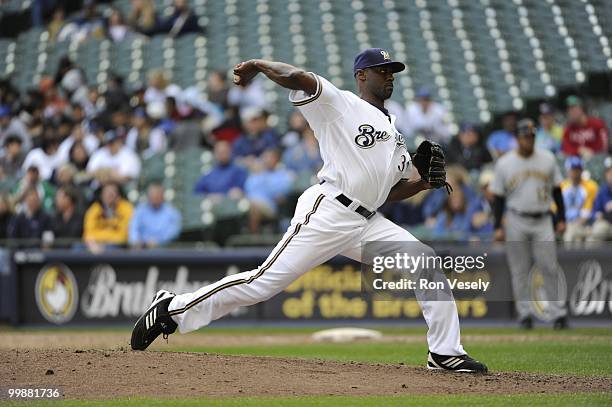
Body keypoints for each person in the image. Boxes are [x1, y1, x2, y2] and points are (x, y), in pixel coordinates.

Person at [130, 49, 488, 373]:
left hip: (367, 221)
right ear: (362, 75)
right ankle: (173, 309)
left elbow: (386, 193)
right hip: (328, 210)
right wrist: (258, 66)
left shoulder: (395, 133)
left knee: (424, 262)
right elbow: (299, 76)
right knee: (263, 283)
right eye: (382, 70)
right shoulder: (341, 105)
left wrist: (422, 184)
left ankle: (444, 351)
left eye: (392, 71)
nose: (389, 75)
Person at [490, 119, 568, 330]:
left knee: (549, 266)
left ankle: (558, 314)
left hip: (543, 218)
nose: (529, 140)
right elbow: (498, 198)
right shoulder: (505, 162)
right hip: (516, 218)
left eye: (532, 136)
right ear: (517, 138)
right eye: (525, 136)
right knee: (519, 270)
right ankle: (524, 314)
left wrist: (561, 218)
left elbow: (557, 191)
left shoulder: (547, 159)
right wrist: (497, 225)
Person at [244, 148, 293, 233]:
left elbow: (281, 193)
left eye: (270, 157)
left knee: (253, 205)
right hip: (251, 203)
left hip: (271, 207)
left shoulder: (283, 175)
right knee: (251, 205)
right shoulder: (257, 173)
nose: (267, 160)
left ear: (276, 160)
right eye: (265, 157)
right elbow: (248, 188)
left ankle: (254, 238)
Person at [83, 182, 133, 254]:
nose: (109, 196)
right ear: (101, 196)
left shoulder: (126, 208)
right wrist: (94, 244)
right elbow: (88, 232)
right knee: (77, 248)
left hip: (116, 245)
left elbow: (124, 235)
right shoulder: (95, 208)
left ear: (118, 196)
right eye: (106, 194)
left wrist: (103, 243)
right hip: (94, 244)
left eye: (112, 194)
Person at [129, 183, 181, 248]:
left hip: (164, 249)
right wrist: (135, 241)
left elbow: (173, 232)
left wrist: (158, 241)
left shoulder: (172, 212)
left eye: (157, 195)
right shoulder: (140, 210)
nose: (155, 197)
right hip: (142, 249)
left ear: (162, 196)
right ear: (148, 196)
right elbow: (133, 228)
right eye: (152, 195)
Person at [560, 156, 598, 243]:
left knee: (574, 235)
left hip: (585, 223)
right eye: (573, 169)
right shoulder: (561, 187)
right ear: (567, 170)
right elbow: (556, 209)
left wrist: (575, 224)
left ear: (582, 170)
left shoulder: (591, 186)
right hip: (566, 223)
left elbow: (587, 212)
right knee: (571, 236)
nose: (575, 172)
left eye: (578, 169)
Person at [588, 157, 612, 241]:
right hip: (606, 223)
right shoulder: (603, 190)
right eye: (609, 172)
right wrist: (599, 214)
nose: (611, 174)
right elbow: (596, 212)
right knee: (592, 238)